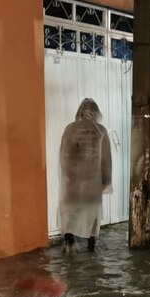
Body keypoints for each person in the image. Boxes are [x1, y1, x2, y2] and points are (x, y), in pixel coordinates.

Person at [58, 98, 112, 253]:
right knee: (93, 216)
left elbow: (64, 157)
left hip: (73, 184)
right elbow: (106, 159)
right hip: (92, 185)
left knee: (71, 213)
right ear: (96, 112)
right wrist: (106, 182)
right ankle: (91, 245)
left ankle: (69, 242)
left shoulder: (70, 129)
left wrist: (68, 178)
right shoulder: (100, 130)